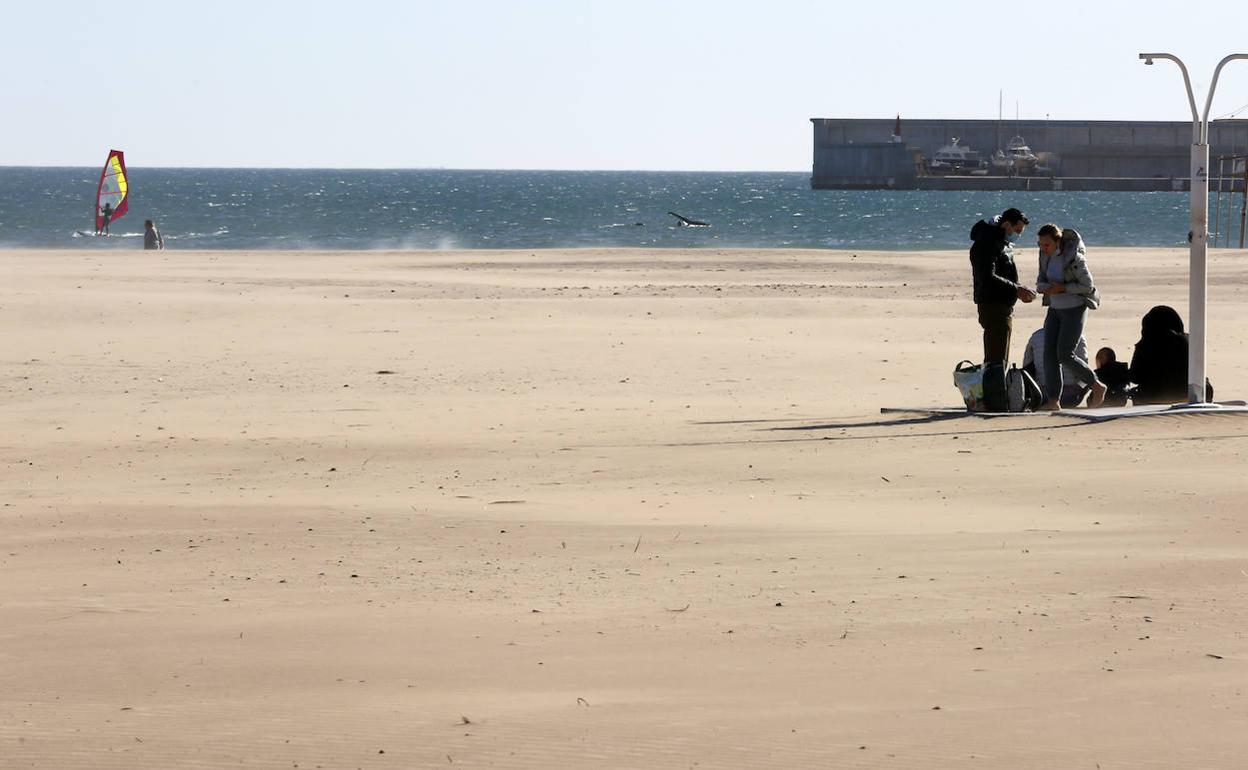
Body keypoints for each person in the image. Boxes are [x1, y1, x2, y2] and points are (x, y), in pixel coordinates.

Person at [1035, 224, 1106, 409]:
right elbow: (1040, 279)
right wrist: (1043, 287)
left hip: (1075, 309)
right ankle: (1053, 400)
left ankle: (1096, 385)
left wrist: (1063, 288)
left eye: (1047, 244)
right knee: (1049, 355)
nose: (1043, 248)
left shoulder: (1075, 257)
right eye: (1040, 244)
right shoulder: (1044, 256)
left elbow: (1088, 286)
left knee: (1065, 354)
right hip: (1054, 309)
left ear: (1057, 242)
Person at [969, 207, 1036, 366]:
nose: (1018, 235)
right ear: (1007, 225)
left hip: (1002, 305)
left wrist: (1018, 288)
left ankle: (995, 388)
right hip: (993, 305)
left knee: (999, 358)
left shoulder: (999, 241)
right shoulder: (987, 242)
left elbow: (1003, 274)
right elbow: (987, 276)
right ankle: (993, 389)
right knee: (996, 361)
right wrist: (1016, 289)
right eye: (1017, 231)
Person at [1129, 305, 1212, 404]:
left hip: (1154, 397)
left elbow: (1135, 377)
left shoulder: (1146, 344)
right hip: (1190, 395)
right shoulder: (1190, 340)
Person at [1022, 326, 1090, 406]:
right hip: (1072, 397)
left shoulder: (1036, 336)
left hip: (1041, 396)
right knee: (1090, 378)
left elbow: (1026, 366)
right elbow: (1085, 366)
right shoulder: (1079, 336)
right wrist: (1078, 386)